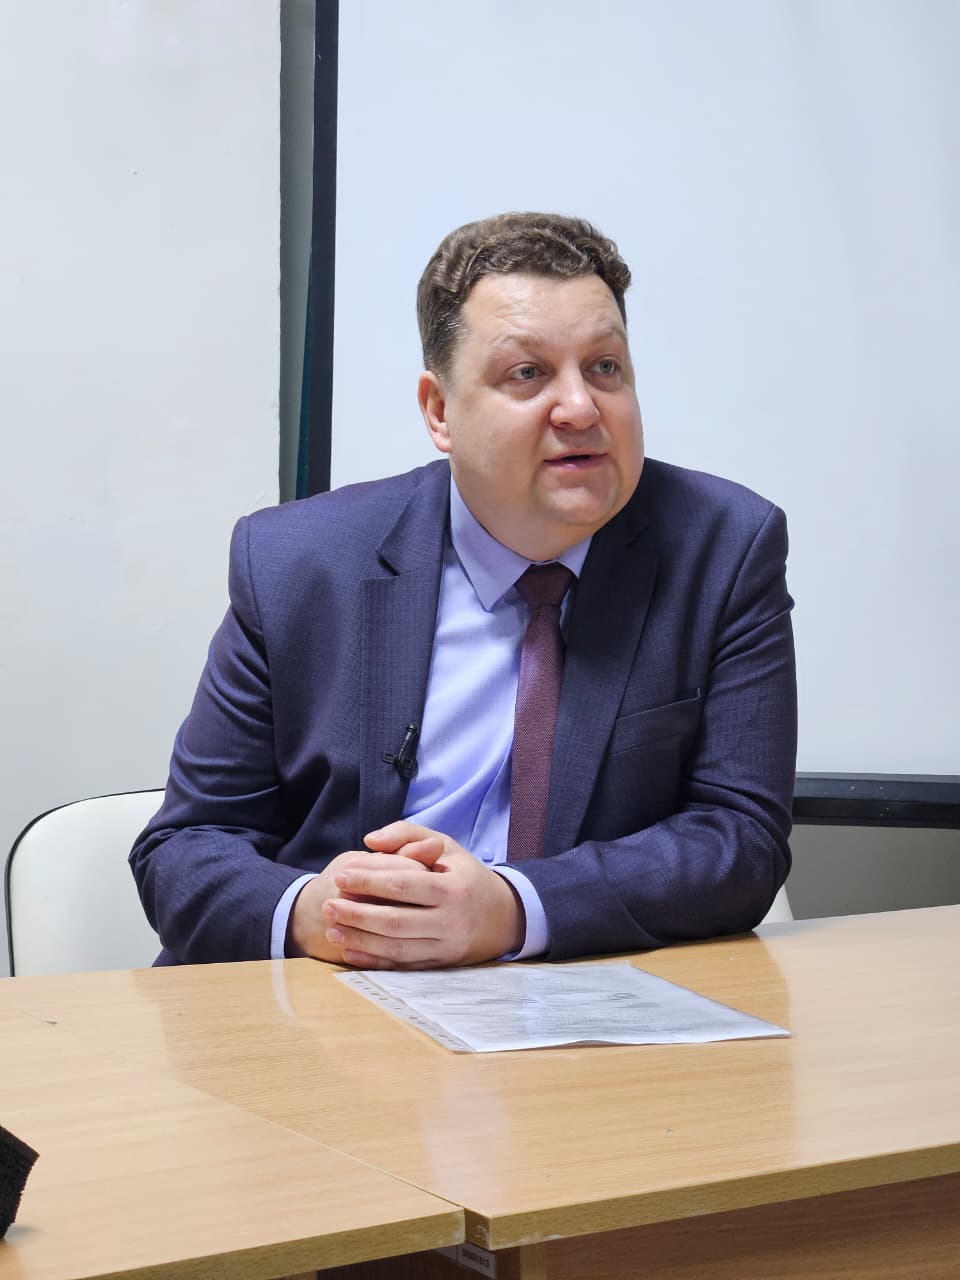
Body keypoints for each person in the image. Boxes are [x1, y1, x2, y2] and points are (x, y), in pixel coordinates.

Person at [130, 211, 797, 970]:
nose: (581, 408)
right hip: (321, 996)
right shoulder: (295, 563)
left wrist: (512, 909)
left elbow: (740, 839)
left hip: (571, 1003)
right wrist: (321, 914)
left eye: (605, 367)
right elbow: (186, 847)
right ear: (440, 412)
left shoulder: (723, 548)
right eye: (528, 373)